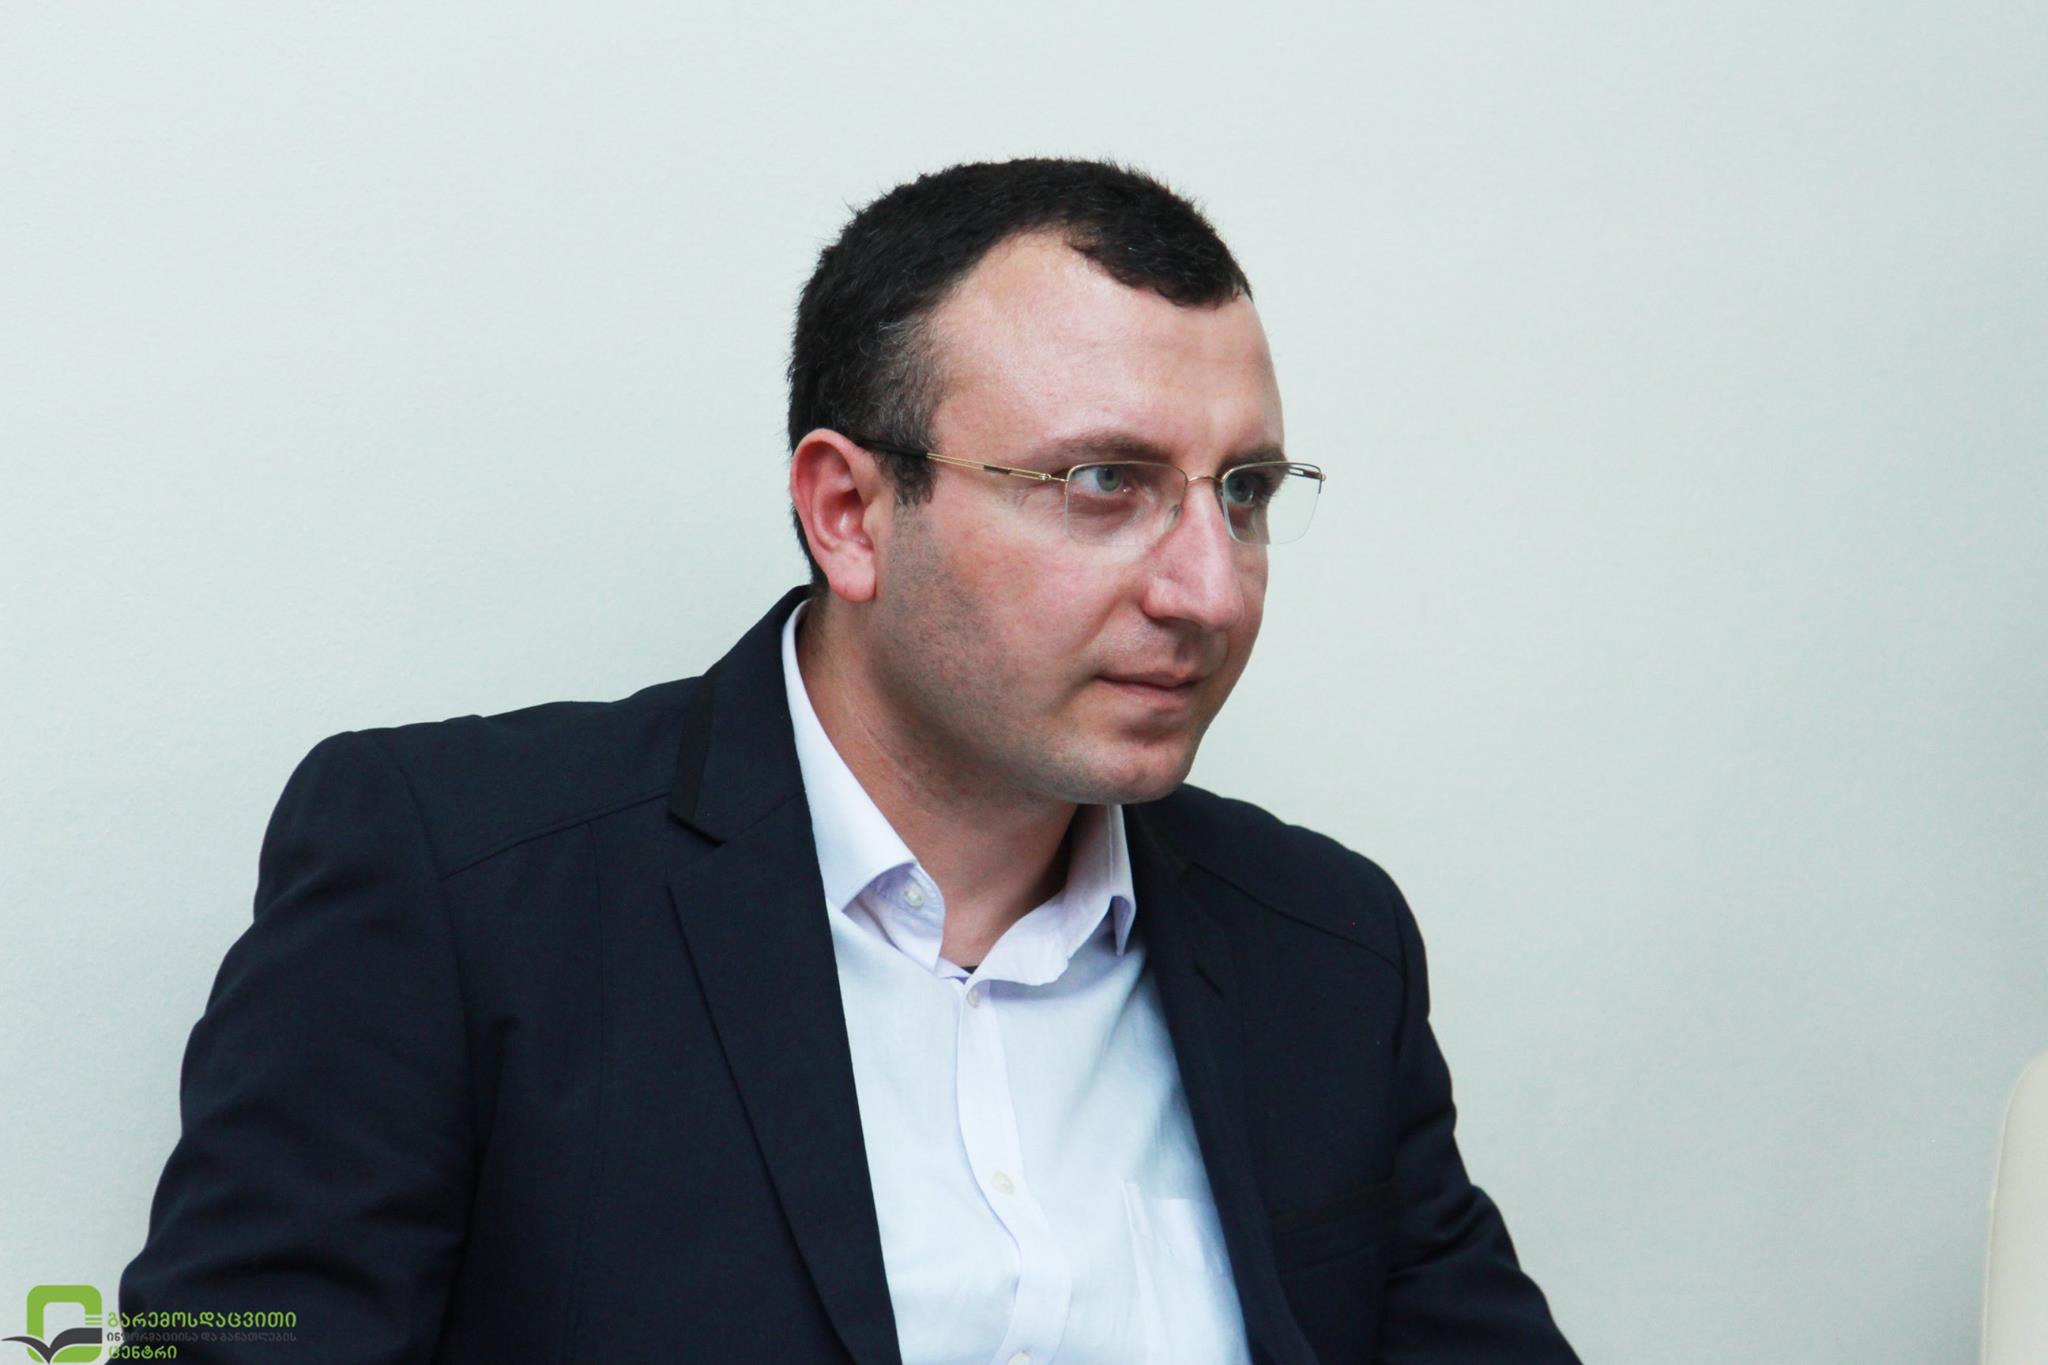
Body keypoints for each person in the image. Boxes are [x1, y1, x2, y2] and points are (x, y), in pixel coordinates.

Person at [122, 158, 1579, 1363]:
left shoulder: (1325, 947)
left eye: (1244, 492)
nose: (1210, 587)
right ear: (850, 514)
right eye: (1102, 482)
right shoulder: (456, 885)